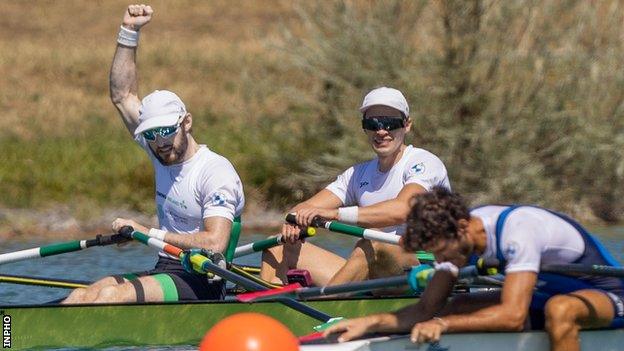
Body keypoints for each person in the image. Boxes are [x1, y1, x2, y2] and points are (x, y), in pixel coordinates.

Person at [63, 4, 244, 304]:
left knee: (110, 296)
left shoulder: (215, 171)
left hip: (203, 281)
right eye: (150, 134)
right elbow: (122, 95)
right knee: (85, 294)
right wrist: (128, 32)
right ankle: (13, 336)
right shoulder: (161, 150)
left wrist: (147, 232)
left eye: (165, 132)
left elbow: (215, 241)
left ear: (186, 123)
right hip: (166, 268)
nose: (158, 142)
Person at [323, 187, 624, 351]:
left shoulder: (518, 231)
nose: (444, 260)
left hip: (606, 295)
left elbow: (513, 315)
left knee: (560, 310)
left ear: (463, 227)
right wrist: (368, 323)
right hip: (544, 294)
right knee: (460, 305)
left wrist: (443, 326)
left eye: (443, 252)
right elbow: (427, 308)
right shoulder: (454, 236)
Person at [260, 87, 451, 287]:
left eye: (391, 123)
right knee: (277, 245)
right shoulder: (357, 174)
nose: (381, 131)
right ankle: (269, 309)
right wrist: (294, 220)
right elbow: (303, 208)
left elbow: (403, 209)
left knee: (377, 243)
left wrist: (334, 214)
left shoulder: (424, 162)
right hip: (372, 270)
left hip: (423, 272)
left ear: (407, 125)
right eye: (372, 123)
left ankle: (331, 303)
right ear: (365, 127)